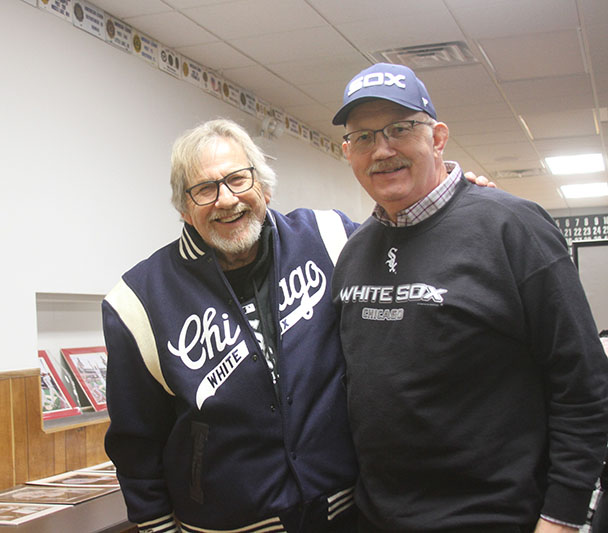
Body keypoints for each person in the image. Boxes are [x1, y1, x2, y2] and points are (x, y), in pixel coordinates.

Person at [102, 118, 492, 533]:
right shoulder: (137, 301)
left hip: (346, 514)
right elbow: (135, 445)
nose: (226, 199)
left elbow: (409, 250)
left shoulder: (330, 238)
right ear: (184, 207)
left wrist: (459, 210)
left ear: (265, 188)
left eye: (238, 179)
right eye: (204, 189)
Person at [330, 62, 608, 532]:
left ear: (437, 137)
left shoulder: (512, 227)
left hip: (495, 517)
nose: (382, 149)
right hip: (376, 517)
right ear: (347, 151)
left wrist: (560, 517)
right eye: (363, 137)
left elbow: (582, 386)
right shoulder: (355, 250)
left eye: (400, 129)